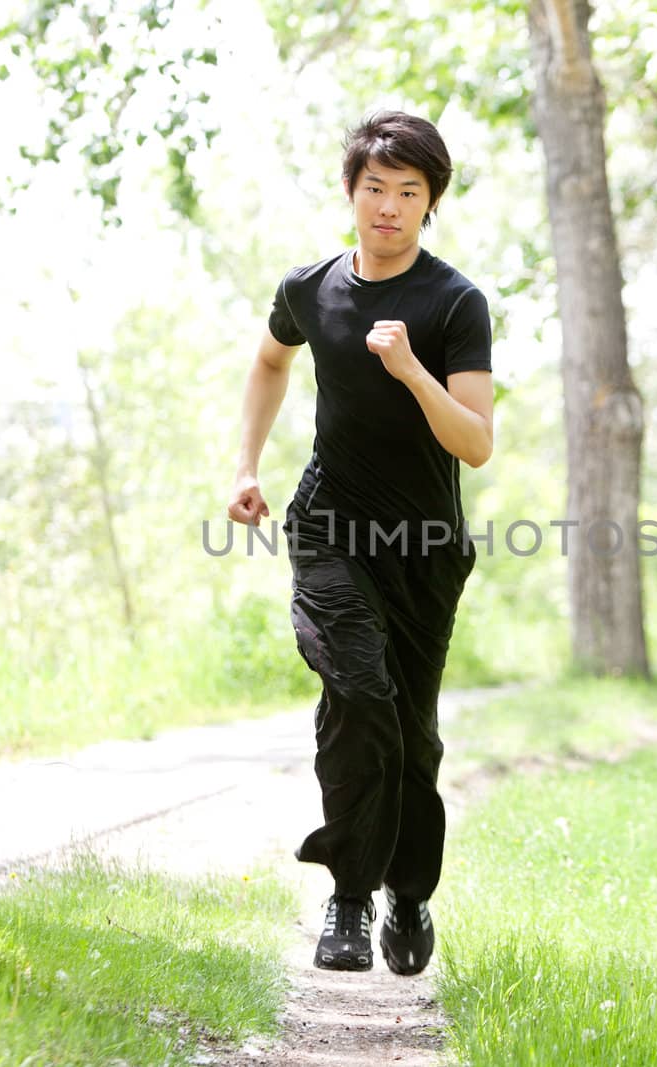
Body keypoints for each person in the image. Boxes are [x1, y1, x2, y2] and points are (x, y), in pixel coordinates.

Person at [226, 111, 494, 974]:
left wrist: (412, 369)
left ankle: (409, 893)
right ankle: (347, 897)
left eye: (408, 193)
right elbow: (270, 362)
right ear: (351, 192)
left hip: (424, 545)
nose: (388, 207)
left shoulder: (454, 303)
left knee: (412, 733)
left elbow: (476, 442)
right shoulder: (310, 288)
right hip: (330, 526)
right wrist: (245, 465)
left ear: (430, 204)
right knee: (359, 695)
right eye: (374, 188)